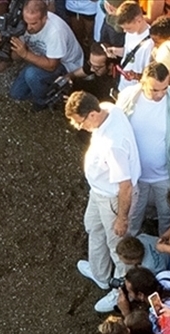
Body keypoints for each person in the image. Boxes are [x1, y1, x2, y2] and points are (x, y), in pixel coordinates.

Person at [64, 90, 139, 313]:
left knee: (117, 246)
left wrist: (121, 218)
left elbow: (126, 186)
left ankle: (119, 291)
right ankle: (100, 274)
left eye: (80, 122)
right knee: (93, 228)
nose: (78, 127)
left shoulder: (113, 145)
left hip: (113, 199)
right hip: (98, 192)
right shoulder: (108, 108)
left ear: (93, 114)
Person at [118, 62, 170, 237]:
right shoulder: (126, 98)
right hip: (135, 176)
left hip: (166, 175)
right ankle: (130, 256)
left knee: (167, 218)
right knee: (132, 218)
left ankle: (162, 256)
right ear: (143, 82)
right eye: (155, 90)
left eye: (164, 88)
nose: (160, 94)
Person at [8, 0, 85, 110]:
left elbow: (52, 66)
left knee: (31, 74)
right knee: (16, 94)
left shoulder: (56, 31)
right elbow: (15, 57)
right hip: (42, 56)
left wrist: (25, 54)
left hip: (66, 64)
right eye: (26, 22)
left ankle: (43, 100)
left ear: (44, 18)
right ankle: (49, 90)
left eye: (34, 23)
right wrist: (8, 45)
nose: (29, 28)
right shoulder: (23, 25)